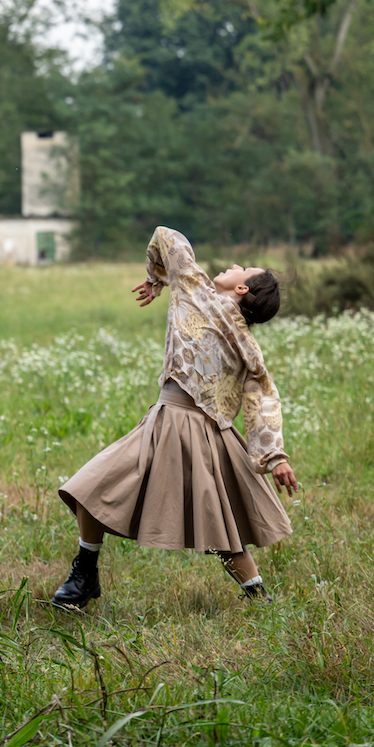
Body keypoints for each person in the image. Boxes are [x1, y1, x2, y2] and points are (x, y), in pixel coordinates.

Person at [51, 227, 297, 608]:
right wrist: (274, 456)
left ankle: (260, 601)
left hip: (204, 435)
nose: (234, 265)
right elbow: (264, 399)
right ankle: (85, 576)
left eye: (243, 268)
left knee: (220, 529)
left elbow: (167, 236)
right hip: (166, 422)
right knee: (93, 487)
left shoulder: (198, 289)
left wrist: (156, 276)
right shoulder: (210, 304)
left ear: (241, 288)